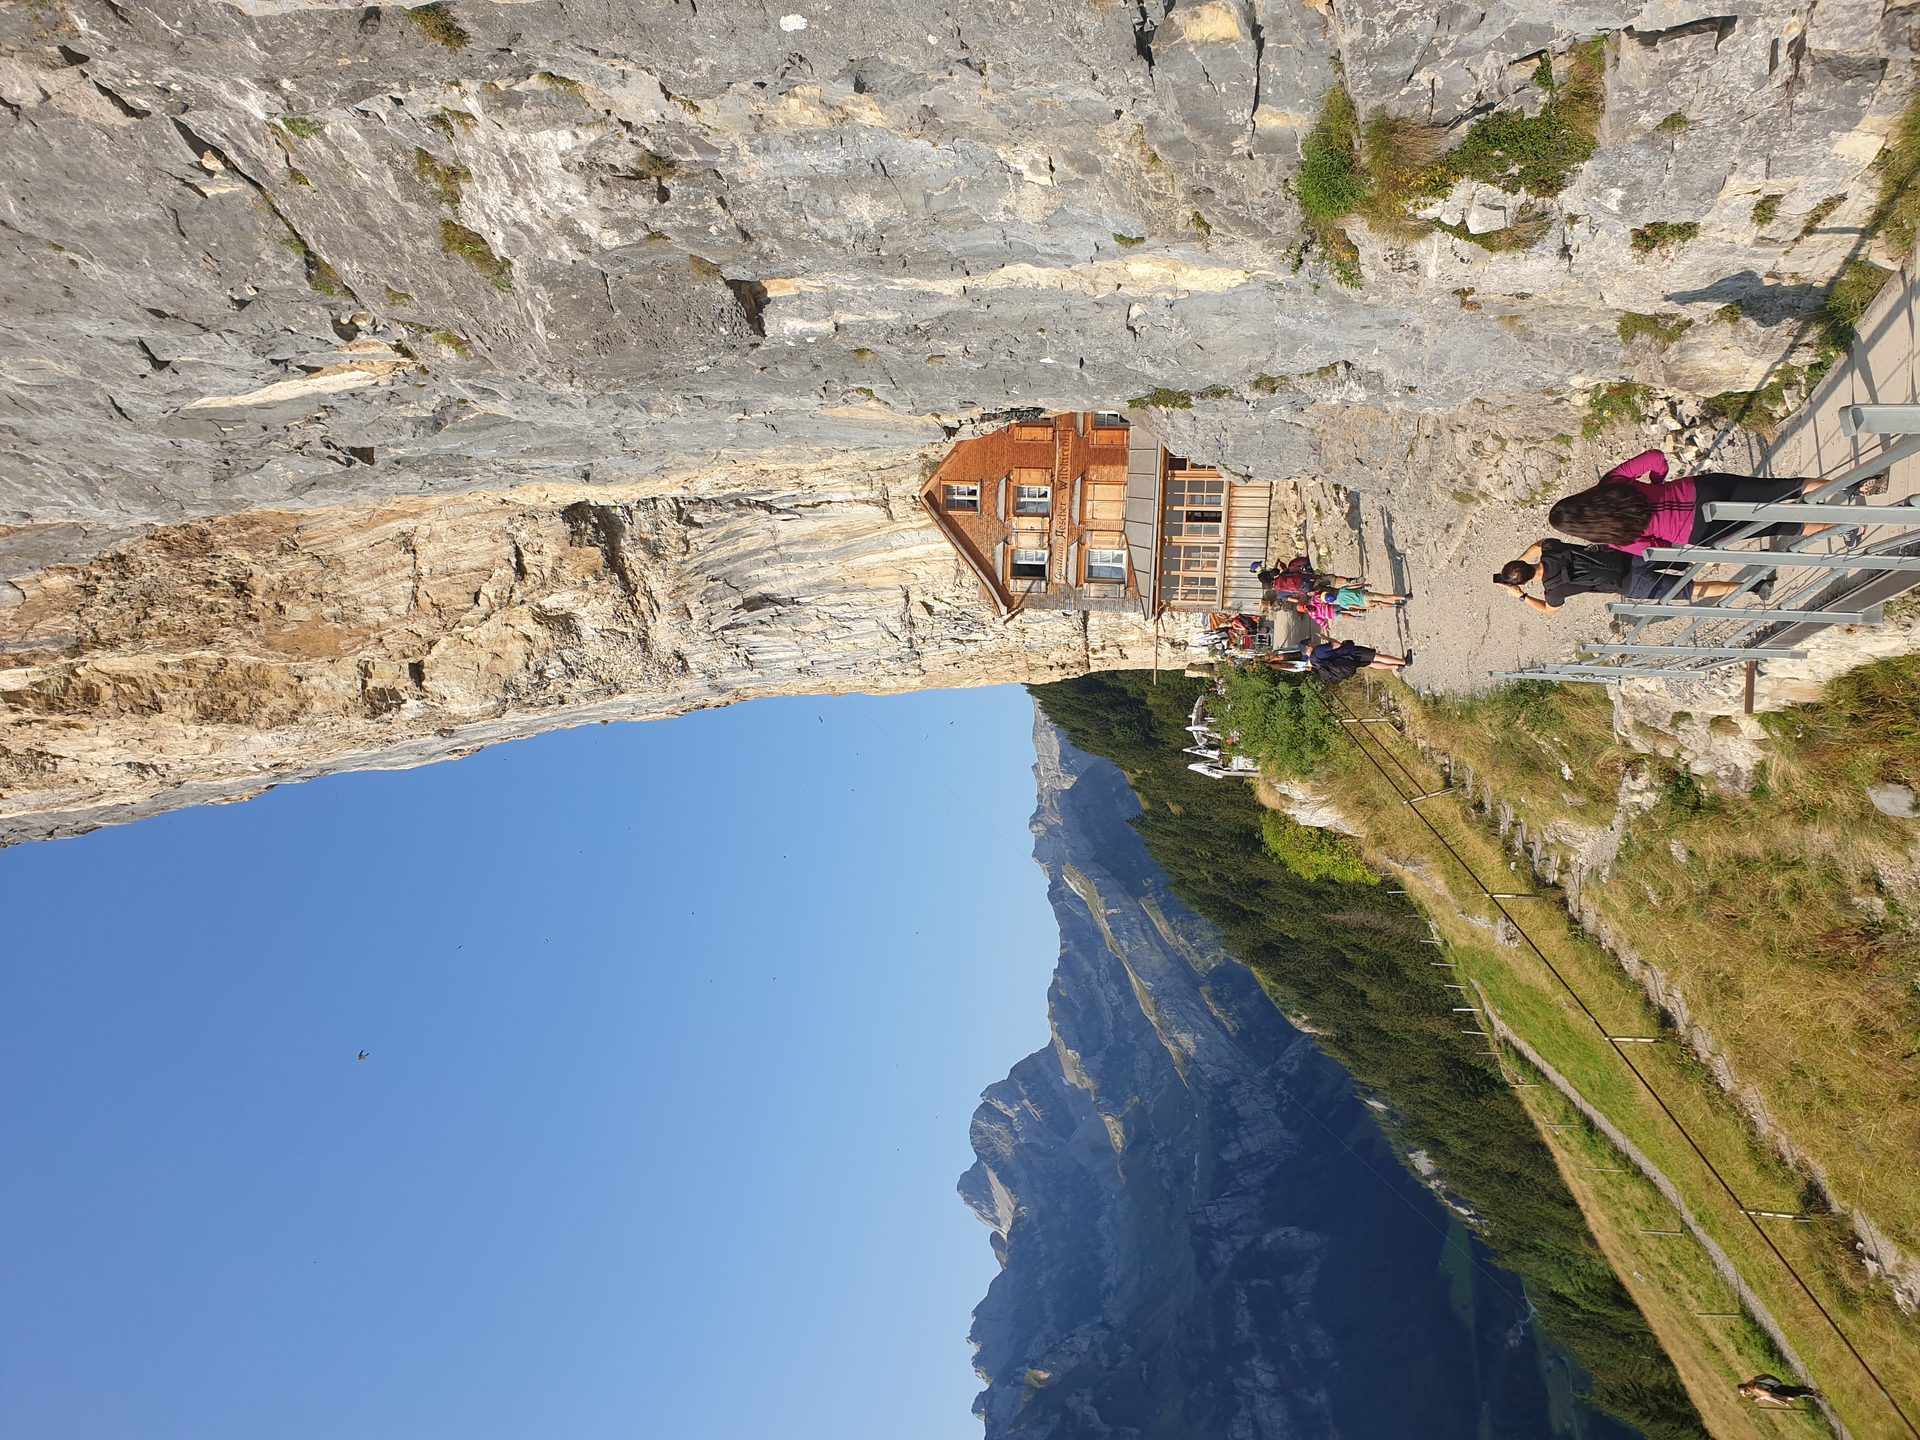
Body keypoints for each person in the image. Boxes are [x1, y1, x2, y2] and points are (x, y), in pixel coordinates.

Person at [1547, 449, 1843, 555]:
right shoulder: (1612, 483)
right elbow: (1655, 457)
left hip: (1699, 531)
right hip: (1701, 490)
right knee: (1783, 488)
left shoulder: (1615, 539)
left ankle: (1842, 526)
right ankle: (1851, 485)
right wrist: (1658, 483)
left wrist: (1665, 533)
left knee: (1780, 525)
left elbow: (1656, 548)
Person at [1494, 538, 1761, 612]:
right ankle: (1743, 555)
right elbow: (1539, 544)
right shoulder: (1551, 549)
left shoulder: (1554, 590)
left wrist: (1521, 596)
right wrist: (1520, 558)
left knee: (1693, 590)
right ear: (1526, 564)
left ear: (1527, 580)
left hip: (1631, 584)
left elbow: (1549, 611)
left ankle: (1753, 586)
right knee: (1686, 557)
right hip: (1631, 556)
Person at [1270, 639, 1409, 680]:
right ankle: (1403, 662)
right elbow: (1335, 645)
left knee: (1371, 664)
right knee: (1376, 656)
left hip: (1343, 664)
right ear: (1307, 648)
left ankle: (1394, 667)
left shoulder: (1292, 667)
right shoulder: (1316, 652)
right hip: (1347, 654)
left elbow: (1308, 668)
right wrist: (1327, 639)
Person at [1737, 1375, 1819, 1409]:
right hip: (1777, 1387)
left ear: (1745, 1388)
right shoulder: (1751, 1383)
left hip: (1778, 1391)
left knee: (1796, 1394)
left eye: (1745, 1392)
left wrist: (1761, 1396)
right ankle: (1812, 1390)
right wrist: (1756, 1398)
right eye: (1745, 1394)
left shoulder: (1756, 1389)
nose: (1746, 1393)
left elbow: (1769, 1394)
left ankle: (1815, 1394)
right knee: (1795, 1389)